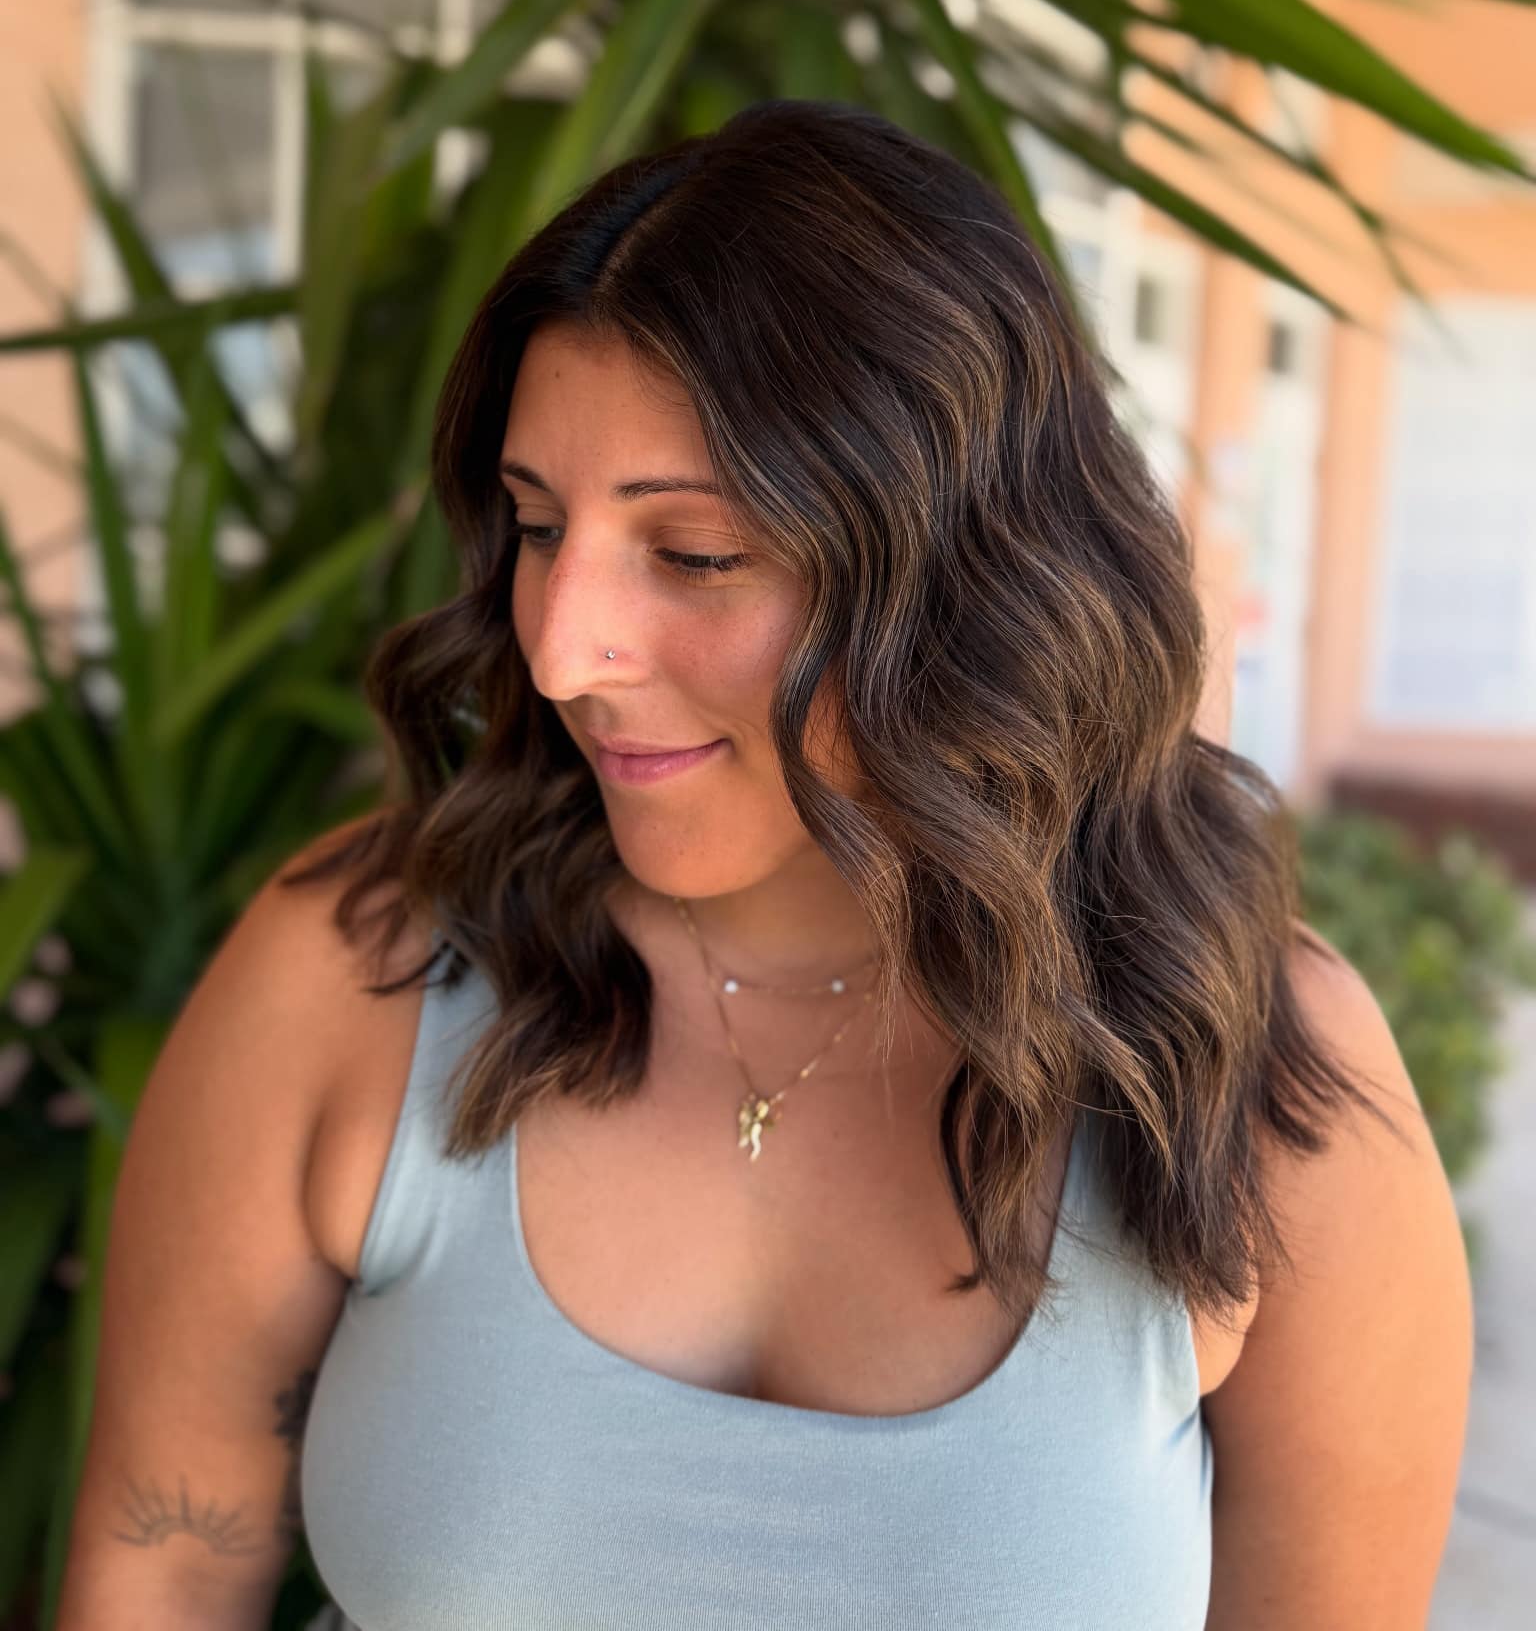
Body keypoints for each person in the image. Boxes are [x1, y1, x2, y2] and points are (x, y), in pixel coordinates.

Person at [58, 100, 1471, 1630]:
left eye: (696, 555)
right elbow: (164, 1563)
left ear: (968, 571)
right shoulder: (365, 970)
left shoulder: (1263, 1084)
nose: (561, 653)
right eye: (536, 527)